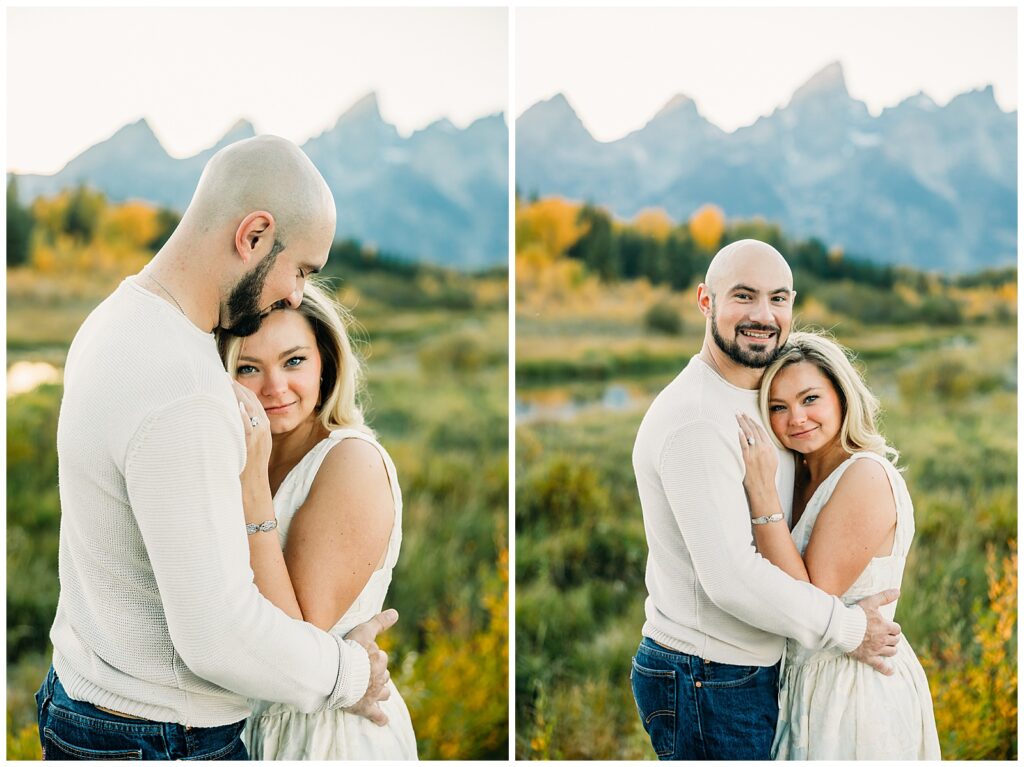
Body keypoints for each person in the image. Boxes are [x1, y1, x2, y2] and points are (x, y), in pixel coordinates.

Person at [37, 136, 397, 761]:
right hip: (161, 736)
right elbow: (216, 635)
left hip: (81, 701)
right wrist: (351, 673)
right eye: (302, 269)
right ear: (254, 235)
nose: (295, 294)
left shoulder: (114, 321)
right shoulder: (188, 390)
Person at [630, 239, 902, 761]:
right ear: (705, 302)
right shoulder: (697, 419)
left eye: (778, 298)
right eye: (744, 297)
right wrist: (848, 629)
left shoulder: (759, 396)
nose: (763, 315)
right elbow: (731, 578)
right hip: (707, 677)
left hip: (741, 673)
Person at [218, 279, 418, 759]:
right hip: (237, 729)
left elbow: (294, 642)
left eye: (294, 361)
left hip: (324, 738)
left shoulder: (350, 462)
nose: (275, 388)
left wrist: (251, 492)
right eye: (249, 368)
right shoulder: (231, 458)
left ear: (326, 362)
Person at [735, 331, 940, 759]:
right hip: (805, 683)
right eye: (778, 407)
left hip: (854, 689)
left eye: (810, 399)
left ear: (842, 397)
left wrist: (762, 496)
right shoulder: (799, 474)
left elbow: (809, 596)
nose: (796, 419)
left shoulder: (864, 475)